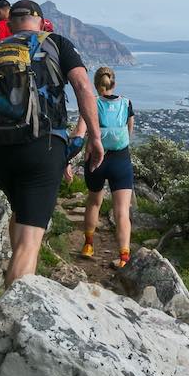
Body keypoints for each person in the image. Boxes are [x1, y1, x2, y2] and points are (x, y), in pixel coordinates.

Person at [0, 0, 103, 287]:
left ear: (10, 22)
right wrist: (95, 138)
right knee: (29, 242)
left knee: (20, 212)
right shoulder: (56, 42)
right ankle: (14, 318)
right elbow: (84, 87)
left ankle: (11, 278)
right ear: (41, 20)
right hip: (42, 147)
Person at [71, 66, 135, 268]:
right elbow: (129, 130)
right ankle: (124, 257)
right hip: (121, 159)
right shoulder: (126, 103)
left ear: (96, 84)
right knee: (122, 211)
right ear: (113, 83)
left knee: (94, 202)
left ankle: (88, 245)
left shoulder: (92, 103)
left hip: (96, 159)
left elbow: (80, 132)